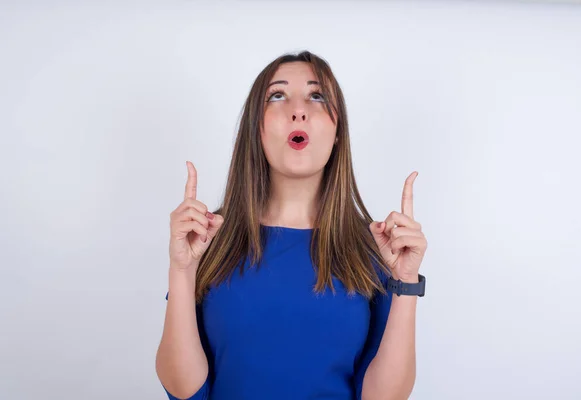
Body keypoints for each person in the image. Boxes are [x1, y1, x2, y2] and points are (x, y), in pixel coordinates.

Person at [155, 50, 428, 400]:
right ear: (257, 128)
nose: (298, 110)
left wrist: (405, 281)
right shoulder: (209, 240)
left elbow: (385, 397)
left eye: (317, 96)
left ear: (337, 133)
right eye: (277, 95)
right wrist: (181, 269)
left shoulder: (375, 249)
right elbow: (182, 389)